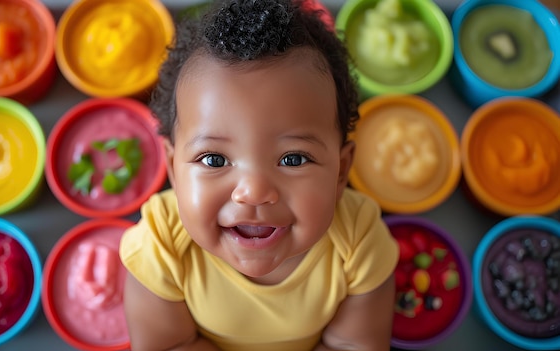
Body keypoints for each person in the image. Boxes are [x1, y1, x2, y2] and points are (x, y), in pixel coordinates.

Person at [119, 1, 399, 350]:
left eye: (293, 159)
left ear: (341, 170)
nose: (253, 192)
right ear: (174, 169)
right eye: (214, 159)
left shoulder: (359, 240)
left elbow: (355, 344)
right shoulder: (161, 245)